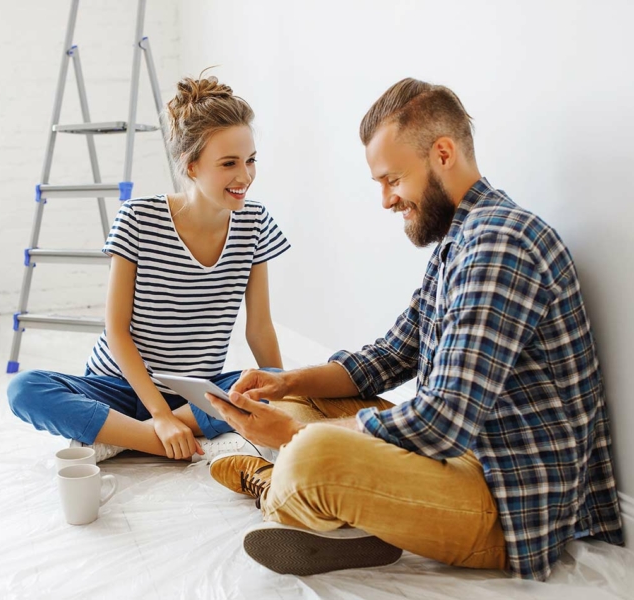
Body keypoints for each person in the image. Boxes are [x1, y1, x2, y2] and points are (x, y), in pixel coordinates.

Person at [207, 78, 624, 580]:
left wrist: (296, 434)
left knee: (313, 452)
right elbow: (387, 357)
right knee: (304, 401)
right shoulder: (461, 240)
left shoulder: (500, 246)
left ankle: (280, 481)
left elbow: (441, 420)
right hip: (461, 462)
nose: (386, 200)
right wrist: (285, 383)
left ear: (442, 153)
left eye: (393, 179)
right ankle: (332, 506)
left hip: (507, 504)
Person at [7, 74, 290, 463]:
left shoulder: (255, 223)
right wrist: (158, 415)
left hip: (193, 395)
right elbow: (116, 330)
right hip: (119, 387)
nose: (245, 176)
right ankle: (157, 435)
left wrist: (280, 391)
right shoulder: (138, 218)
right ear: (191, 167)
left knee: (259, 386)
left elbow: (259, 328)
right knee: (24, 389)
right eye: (229, 163)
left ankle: (120, 436)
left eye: (250, 160)